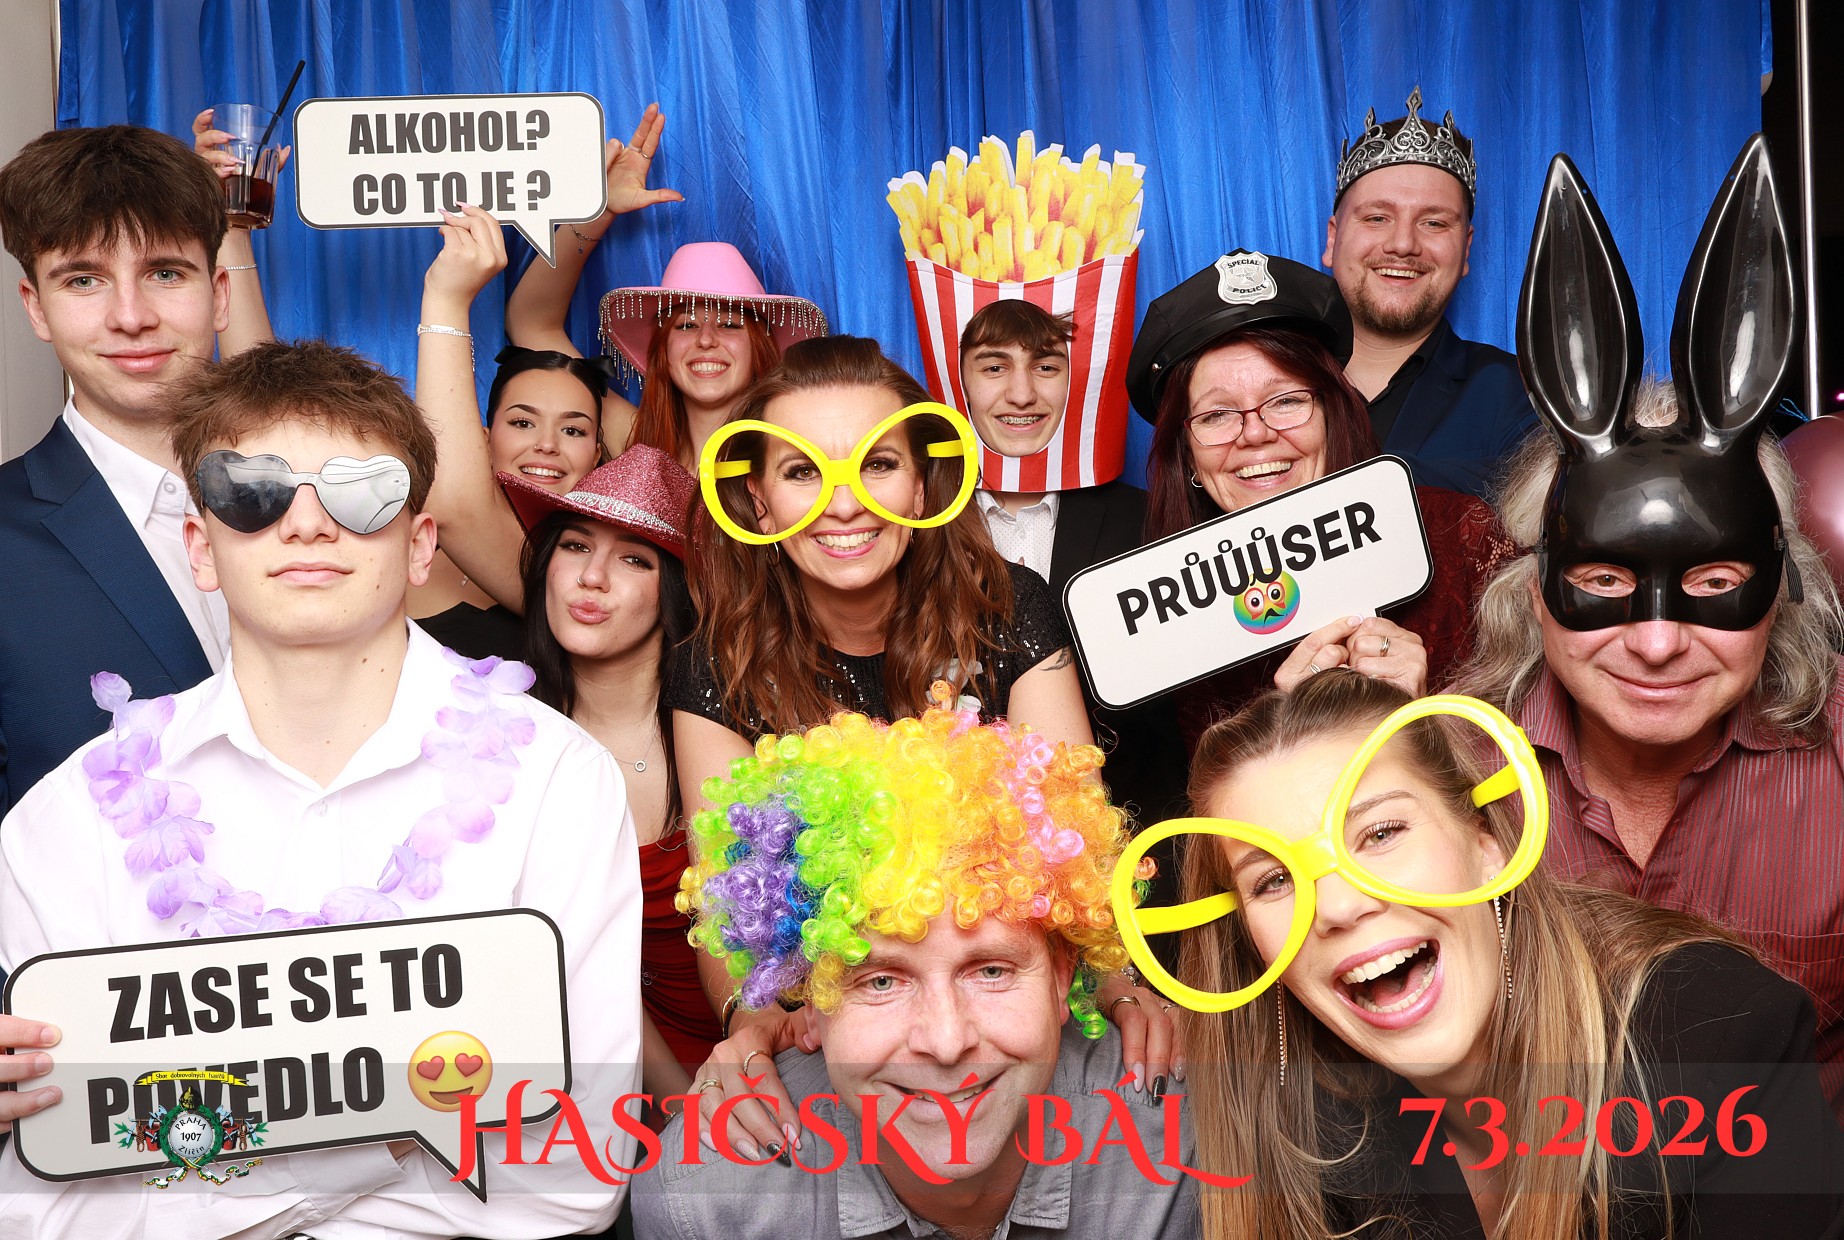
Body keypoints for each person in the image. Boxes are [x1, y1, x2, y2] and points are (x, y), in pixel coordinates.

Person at [0, 339, 641, 1235]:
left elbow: (578, 1167)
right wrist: (395, 1133)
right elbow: (44, 1205)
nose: (306, 526)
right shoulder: (69, 820)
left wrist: (211, 1169)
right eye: (251, 493)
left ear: (420, 545)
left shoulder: (558, 784)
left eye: (360, 491)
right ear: (201, 548)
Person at [1126, 670, 1844, 1239]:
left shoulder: (1721, 1039)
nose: (1339, 906)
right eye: (1274, 880)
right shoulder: (1306, 1121)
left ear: (1486, 841)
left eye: (1380, 834)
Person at [673, 335, 1180, 1119]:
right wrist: (752, 1019)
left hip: (1004, 1004)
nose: (845, 503)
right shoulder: (716, 665)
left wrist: (1119, 984)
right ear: (758, 501)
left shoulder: (1009, 609)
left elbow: (1075, 840)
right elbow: (727, 903)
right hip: (843, 1030)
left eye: (877, 464)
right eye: (803, 472)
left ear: (920, 486)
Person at [1458, 139, 1844, 1118]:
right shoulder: (1443, 771)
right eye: (1602, 580)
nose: (1659, 642)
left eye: (1714, 582)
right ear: (1536, 589)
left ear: (1778, 587)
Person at [633, 704, 1200, 1240]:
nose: (947, 1043)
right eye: (881, 981)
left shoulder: (1189, 1143)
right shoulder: (704, 1208)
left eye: (991, 971)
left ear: (1060, 979)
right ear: (810, 1000)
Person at [1126, 250, 1515, 749]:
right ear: (1187, 457)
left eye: (1287, 401)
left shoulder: (1462, 538)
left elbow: (1547, 763)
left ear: (1335, 415)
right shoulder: (1169, 621)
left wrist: (1423, 721)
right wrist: (1286, 731)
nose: (1255, 434)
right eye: (1217, 414)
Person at [0, 124, 231, 811]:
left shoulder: (314, 503)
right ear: (36, 307)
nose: (130, 317)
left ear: (219, 293)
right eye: (84, 280)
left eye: (165, 273)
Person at [500, 443, 722, 1103]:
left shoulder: (723, 732)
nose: (592, 577)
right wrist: (681, 1113)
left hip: (771, 1048)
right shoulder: (511, 748)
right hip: (614, 1077)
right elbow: (578, 968)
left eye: (634, 559)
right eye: (574, 546)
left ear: (674, 591)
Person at [962, 298, 1188, 827]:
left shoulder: (1149, 522)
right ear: (959, 382)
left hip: (1129, 832)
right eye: (994, 367)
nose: (1022, 393)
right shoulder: (910, 527)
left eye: (1046, 366)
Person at [504, 106, 826, 468]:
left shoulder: (798, 452)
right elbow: (530, 322)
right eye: (686, 325)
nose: (706, 340)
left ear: (760, 345)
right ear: (663, 350)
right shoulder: (637, 441)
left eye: (729, 324)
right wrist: (599, 212)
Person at [412, 203, 613, 654]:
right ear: (482, 441)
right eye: (523, 422)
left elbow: (454, 507)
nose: (547, 445)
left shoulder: (585, 570)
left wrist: (446, 300)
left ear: (597, 456)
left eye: (574, 431)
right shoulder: (404, 540)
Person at [1325, 87, 1537, 496]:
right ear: (1333, 240)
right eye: (1377, 218)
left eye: (1434, 223)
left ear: (1466, 249)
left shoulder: (1520, 395)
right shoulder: (1264, 384)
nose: (1403, 244)